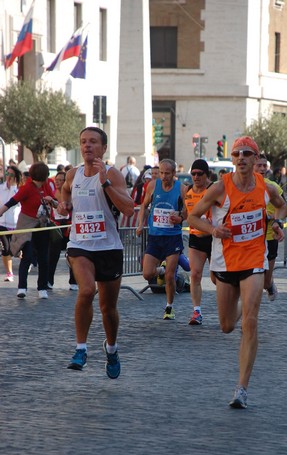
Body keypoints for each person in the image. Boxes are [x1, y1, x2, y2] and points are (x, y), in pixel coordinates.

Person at [188, 136, 287, 409]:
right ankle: (245, 300)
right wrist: (213, 230)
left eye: (247, 153)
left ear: (256, 159)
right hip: (225, 263)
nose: (241, 157)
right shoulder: (221, 188)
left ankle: (242, 388)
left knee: (250, 323)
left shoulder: (266, 187)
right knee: (226, 326)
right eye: (237, 154)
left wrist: (276, 222)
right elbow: (193, 217)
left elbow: (284, 206)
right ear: (232, 159)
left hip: (255, 259)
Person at [59, 126, 134, 376]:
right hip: (80, 245)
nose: (87, 146)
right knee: (87, 290)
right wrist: (63, 203)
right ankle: (81, 348)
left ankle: (111, 349)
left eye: (93, 142)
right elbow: (66, 190)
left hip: (108, 247)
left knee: (108, 309)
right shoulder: (73, 174)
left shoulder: (113, 174)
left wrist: (106, 184)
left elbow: (129, 209)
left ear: (103, 148)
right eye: (83, 142)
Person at [137, 159, 188, 320]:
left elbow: (188, 211)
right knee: (147, 274)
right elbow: (144, 206)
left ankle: (169, 307)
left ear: (174, 174)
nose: (164, 176)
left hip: (172, 237)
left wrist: (180, 217)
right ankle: (161, 270)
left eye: (167, 173)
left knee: (170, 276)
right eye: (161, 173)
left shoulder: (181, 189)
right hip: (155, 237)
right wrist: (140, 225)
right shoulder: (153, 186)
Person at [0, 162, 56, 299]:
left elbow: (55, 202)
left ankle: (42, 288)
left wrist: (52, 201)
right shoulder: (27, 188)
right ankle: (22, 287)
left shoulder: (46, 186)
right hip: (27, 227)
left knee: (43, 258)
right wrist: (0, 212)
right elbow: (12, 202)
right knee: (28, 256)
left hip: (42, 227)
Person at [254, 154, 287, 301]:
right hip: (252, 239)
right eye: (259, 165)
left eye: (264, 166)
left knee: (265, 282)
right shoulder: (241, 187)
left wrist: (276, 221)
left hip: (270, 236)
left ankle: (270, 283)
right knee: (251, 279)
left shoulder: (273, 187)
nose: (262, 169)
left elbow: (286, 209)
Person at [184, 158, 214, 325]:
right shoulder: (188, 190)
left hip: (214, 238)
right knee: (195, 275)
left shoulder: (213, 189)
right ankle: (197, 312)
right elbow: (185, 213)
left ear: (206, 174)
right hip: (196, 237)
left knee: (218, 279)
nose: (196, 177)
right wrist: (178, 217)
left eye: (199, 174)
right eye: (193, 174)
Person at [47, 170, 77, 291]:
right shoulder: (52, 194)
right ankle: (49, 281)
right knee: (52, 255)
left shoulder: (70, 194)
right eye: (56, 180)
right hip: (55, 226)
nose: (58, 182)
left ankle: (74, 282)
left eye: (61, 180)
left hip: (69, 226)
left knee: (72, 255)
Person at [0, 165, 21, 282]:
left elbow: (16, 203)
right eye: (7, 174)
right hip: (2, 223)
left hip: (16, 224)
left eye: (11, 175)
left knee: (15, 250)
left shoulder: (18, 190)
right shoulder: (1, 189)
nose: (8, 177)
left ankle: (21, 256)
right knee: (5, 249)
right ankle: (9, 273)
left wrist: (13, 187)